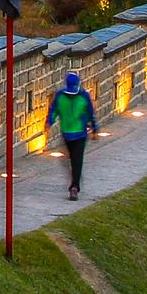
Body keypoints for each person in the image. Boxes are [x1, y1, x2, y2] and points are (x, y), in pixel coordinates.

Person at [51, 70, 98, 200]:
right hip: (67, 133)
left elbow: (90, 113)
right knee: (71, 159)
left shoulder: (83, 96)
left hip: (80, 134)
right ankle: (75, 179)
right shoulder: (60, 96)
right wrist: (49, 121)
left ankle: (74, 187)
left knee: (77, 160)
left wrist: (94, 127)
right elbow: (54, 110)